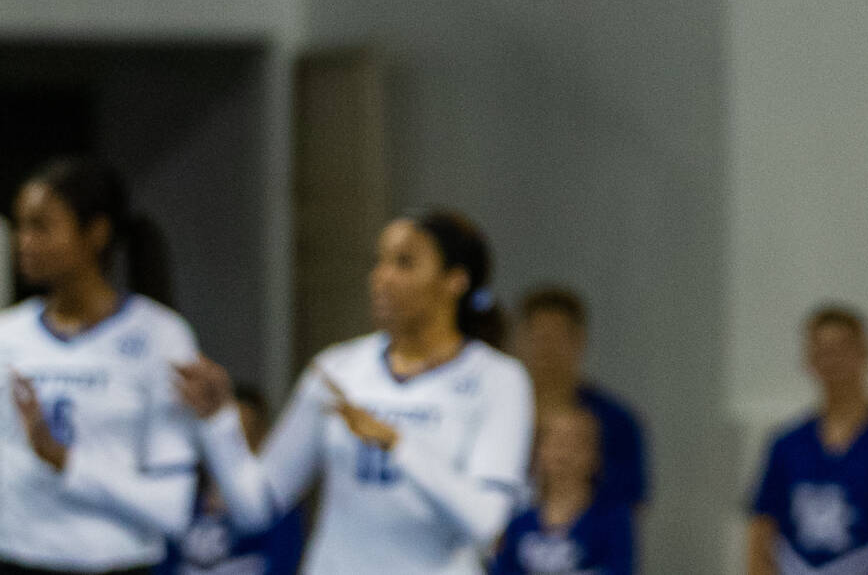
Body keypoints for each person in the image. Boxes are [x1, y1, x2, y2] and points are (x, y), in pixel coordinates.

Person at [180, 208, 535, 575]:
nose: (382, 278)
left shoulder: (499, 378)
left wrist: (399, 445)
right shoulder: (337, 370)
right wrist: (216, 422)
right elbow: (256, 506)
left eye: (404, 263)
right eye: (378, 262)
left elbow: (487, 521)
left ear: (455, 280)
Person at [0, 157, 205, 575]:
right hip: (18, 560)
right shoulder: (9, 333)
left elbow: (173, 509)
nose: (24, 241)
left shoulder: (161, 336)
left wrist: (68, 463)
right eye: (21, 226)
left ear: (96, 233)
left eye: (41, 226)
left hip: (115, 562)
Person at [749, 307, 868, 575]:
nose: (833, 362)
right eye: (822, 352)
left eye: (842, 350)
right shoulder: (787, 445)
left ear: (865, 352)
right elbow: (761, 531)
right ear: (809, 360)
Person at [515, 287, 651, 520]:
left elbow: (628, 506)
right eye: (538, 338)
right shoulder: (501, 413)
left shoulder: (615, 422)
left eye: (557, 338)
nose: (547, 351)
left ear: (579, 340)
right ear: (518, 341)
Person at [161, 384, 306, 575]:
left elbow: (283, 566)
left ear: (262, 440)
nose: (231, 452)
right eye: (223, 438)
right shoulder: (181, 499)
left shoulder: (278, 506)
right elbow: (163, 565)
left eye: (243, 438)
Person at [491, 403, 635, 575]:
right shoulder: (519, 522)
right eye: (555, 441)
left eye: (576, 443)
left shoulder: (612, 519)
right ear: (538, 451)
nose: (564, 452)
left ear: (596, 455)